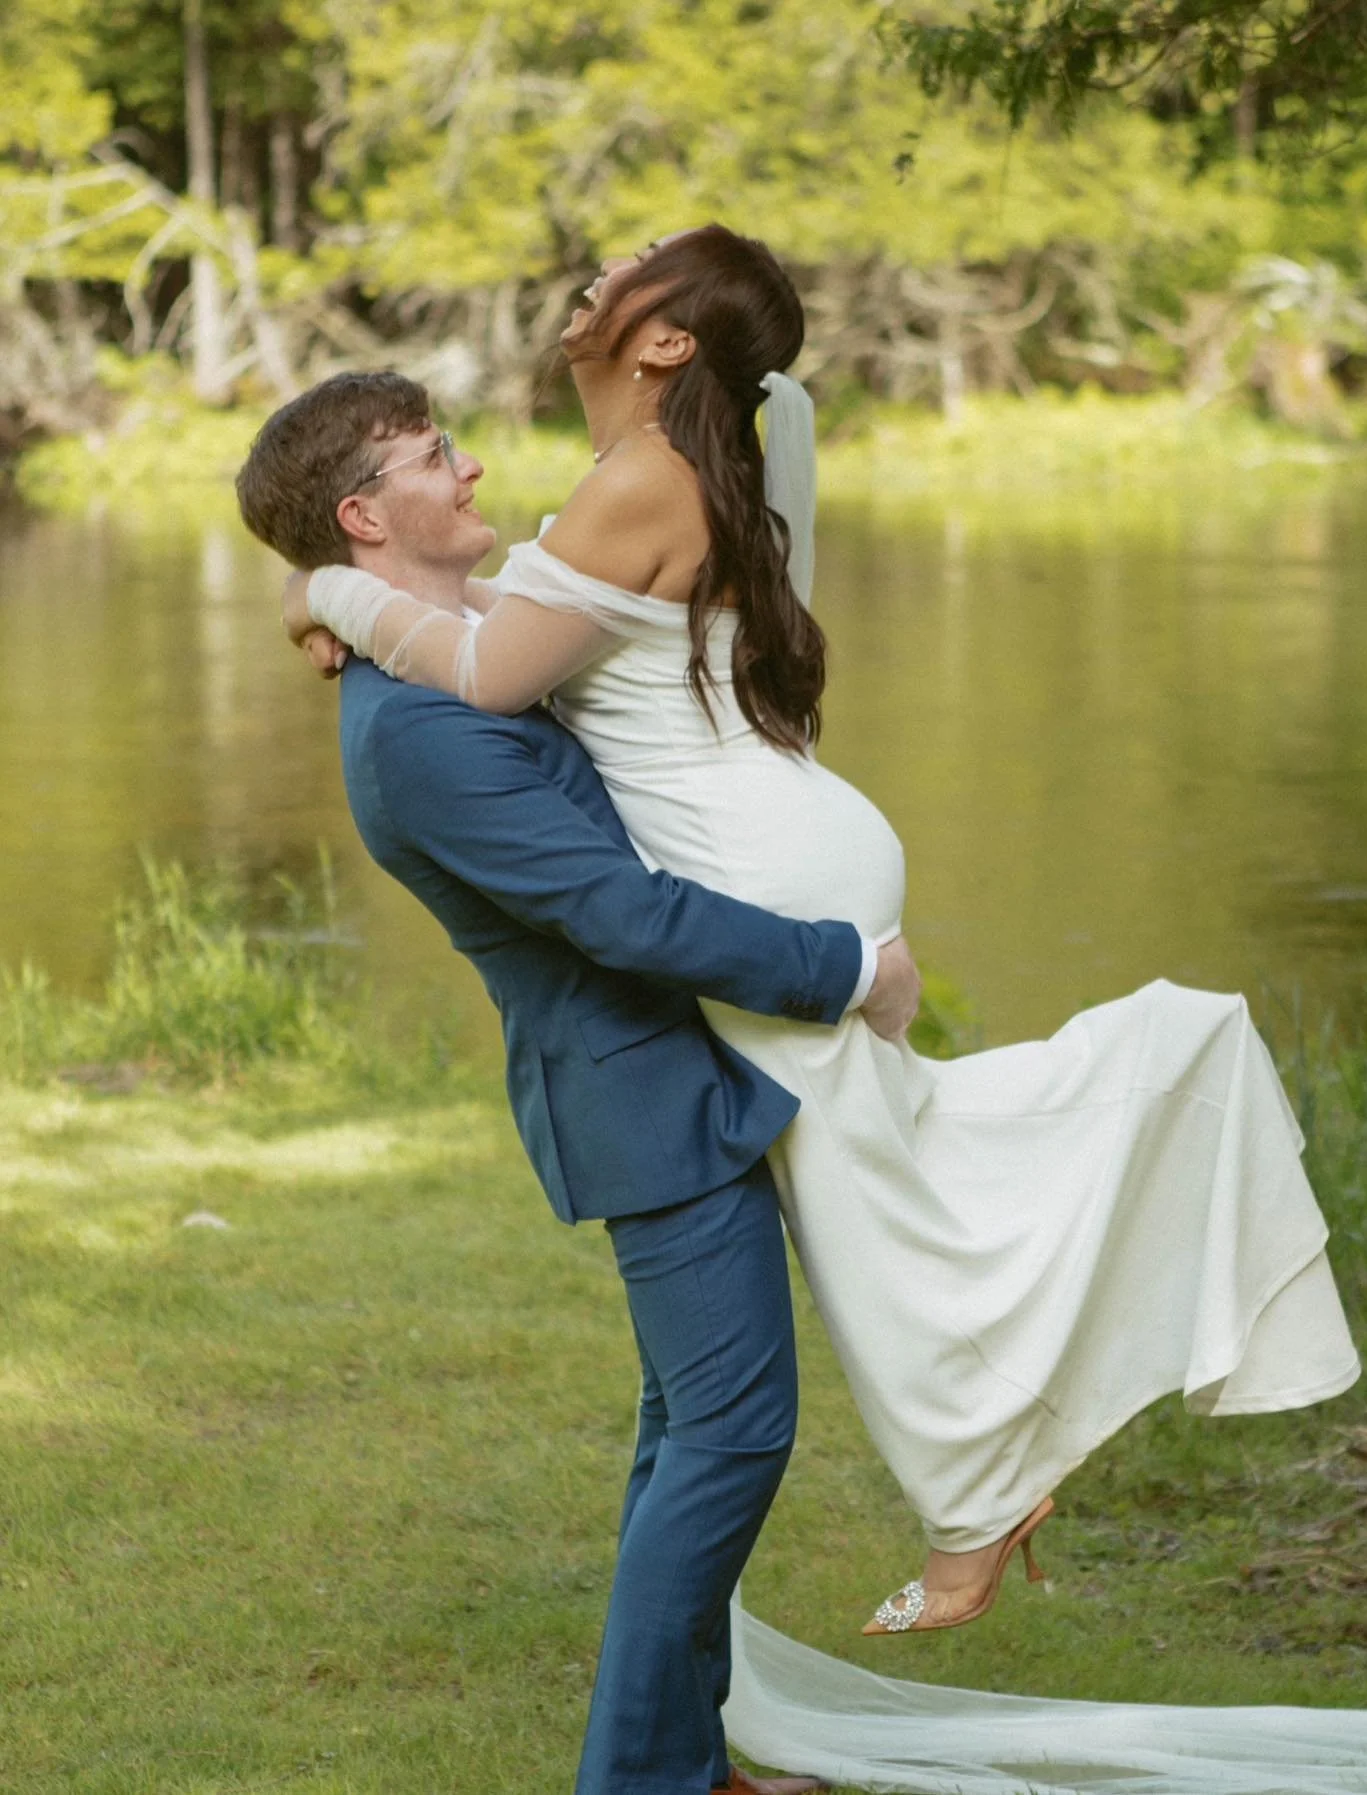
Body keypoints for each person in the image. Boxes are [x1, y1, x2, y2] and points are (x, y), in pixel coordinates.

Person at [291, 225, 1361, 1642]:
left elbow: (488, 672)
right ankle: (977, 1487)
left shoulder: (639, 480)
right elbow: (525, 627)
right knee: (897, 1175)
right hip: (783, 856)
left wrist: (335, 594)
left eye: (640, 263)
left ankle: (981, 1492)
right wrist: (367, 613)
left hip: (760, 879)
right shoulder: (654, 478)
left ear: (668, 340)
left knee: (883, 1203)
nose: (602, 269)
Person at [236, 368, 925, 1795]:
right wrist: (847, 967)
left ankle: (677, 1758)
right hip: (642, 1098)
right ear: (369, 512)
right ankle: (644, 1778)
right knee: (731, 1429)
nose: (475, 470)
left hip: (679, 1070)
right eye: (439, 457)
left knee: (690, 1423)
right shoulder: (420, 737)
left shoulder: (446, 651)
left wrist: (319, 596)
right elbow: (623, 916)